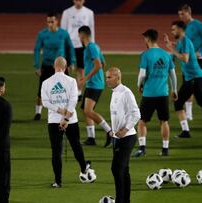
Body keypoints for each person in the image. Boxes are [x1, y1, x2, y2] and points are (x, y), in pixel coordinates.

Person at [164, 21, 202, 139]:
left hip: (194, 78)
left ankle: (187, 131)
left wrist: (172, 49)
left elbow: (185, 58)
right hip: (194, 77)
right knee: (201, 102)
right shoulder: (180, 42)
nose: (172, 32)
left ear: (181, 30)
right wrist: (170, 47)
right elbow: (175, 55)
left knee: (178, 103)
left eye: (174, 29)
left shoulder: (186, 41)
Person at [41, 57, 94, 188]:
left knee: (56, 151)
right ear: (65, 67)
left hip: (53, 121)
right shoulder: (71, 81)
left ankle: (58, 181)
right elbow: (74, 100)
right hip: (71, 120)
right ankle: (83, 168)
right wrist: (66, 118)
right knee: (76, 145)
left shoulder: (46, 82)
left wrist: (59, 111)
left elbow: (45, 102)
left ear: (54, 66)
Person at [133, 29, 178, 157]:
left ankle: (142, 148)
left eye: (144, 39)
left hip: (149, 94)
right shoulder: (166, 55)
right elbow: (173, 75)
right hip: (163, 93)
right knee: (164, 121)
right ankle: (165, 149)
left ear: (147, 39)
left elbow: (142, 75)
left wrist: (139, 85)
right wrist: (174, 90)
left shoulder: (146, 55)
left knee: (142, 121)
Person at [106, 67, 140, 203]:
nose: (106, 80)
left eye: (109, 77)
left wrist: (125, 129)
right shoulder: (114, 93)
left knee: (116, 168)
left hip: (128, 137)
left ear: (118, 78)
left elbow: (136, 114)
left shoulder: (126, 93)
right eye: (106, 77)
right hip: (117, 138)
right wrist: (112, 131)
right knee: (124, 170)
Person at [33, 12, 76, 121]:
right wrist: (37, 65)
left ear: (57, 21)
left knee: (66, 89)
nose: (50, 24)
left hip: (61, 66)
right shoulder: (42, 34)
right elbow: (37, 49)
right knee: (41, 90)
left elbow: (70, 48)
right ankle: (38, 112)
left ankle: (68, 110)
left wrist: (72, 62)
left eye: (52, 21)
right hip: (47, 65)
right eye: (48, 22)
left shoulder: (64, 34)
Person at [78, 25, 112, 146]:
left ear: (82, 35)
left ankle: (110, 131)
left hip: (94, 84)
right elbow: (103, 63)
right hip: (94, 83)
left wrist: (85, 78)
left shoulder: (90, 48)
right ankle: (91, 138)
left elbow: (98, 65)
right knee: (84, 110)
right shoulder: (95, 46)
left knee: (88, 110)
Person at [178, 4, 202, 122]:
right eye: (179, 14)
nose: (181, 16)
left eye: (183, 14)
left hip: (199, 59)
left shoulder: (198, 25)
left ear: (189, 13)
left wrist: (201, 51)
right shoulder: (182, 27)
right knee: (188, 85)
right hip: (187, 60)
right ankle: (189, 114)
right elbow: (181, 43)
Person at [61, 0, 95, 101]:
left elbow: (91, 30)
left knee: (81, 70)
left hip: (82, 46)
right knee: (67, 70)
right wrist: (63, 46)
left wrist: (91, 44)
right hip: (70, 45)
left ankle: (79, 93)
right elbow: (63, 30)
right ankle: (66, 92)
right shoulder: (67, 12)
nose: (78, 1)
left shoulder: (89, 13)